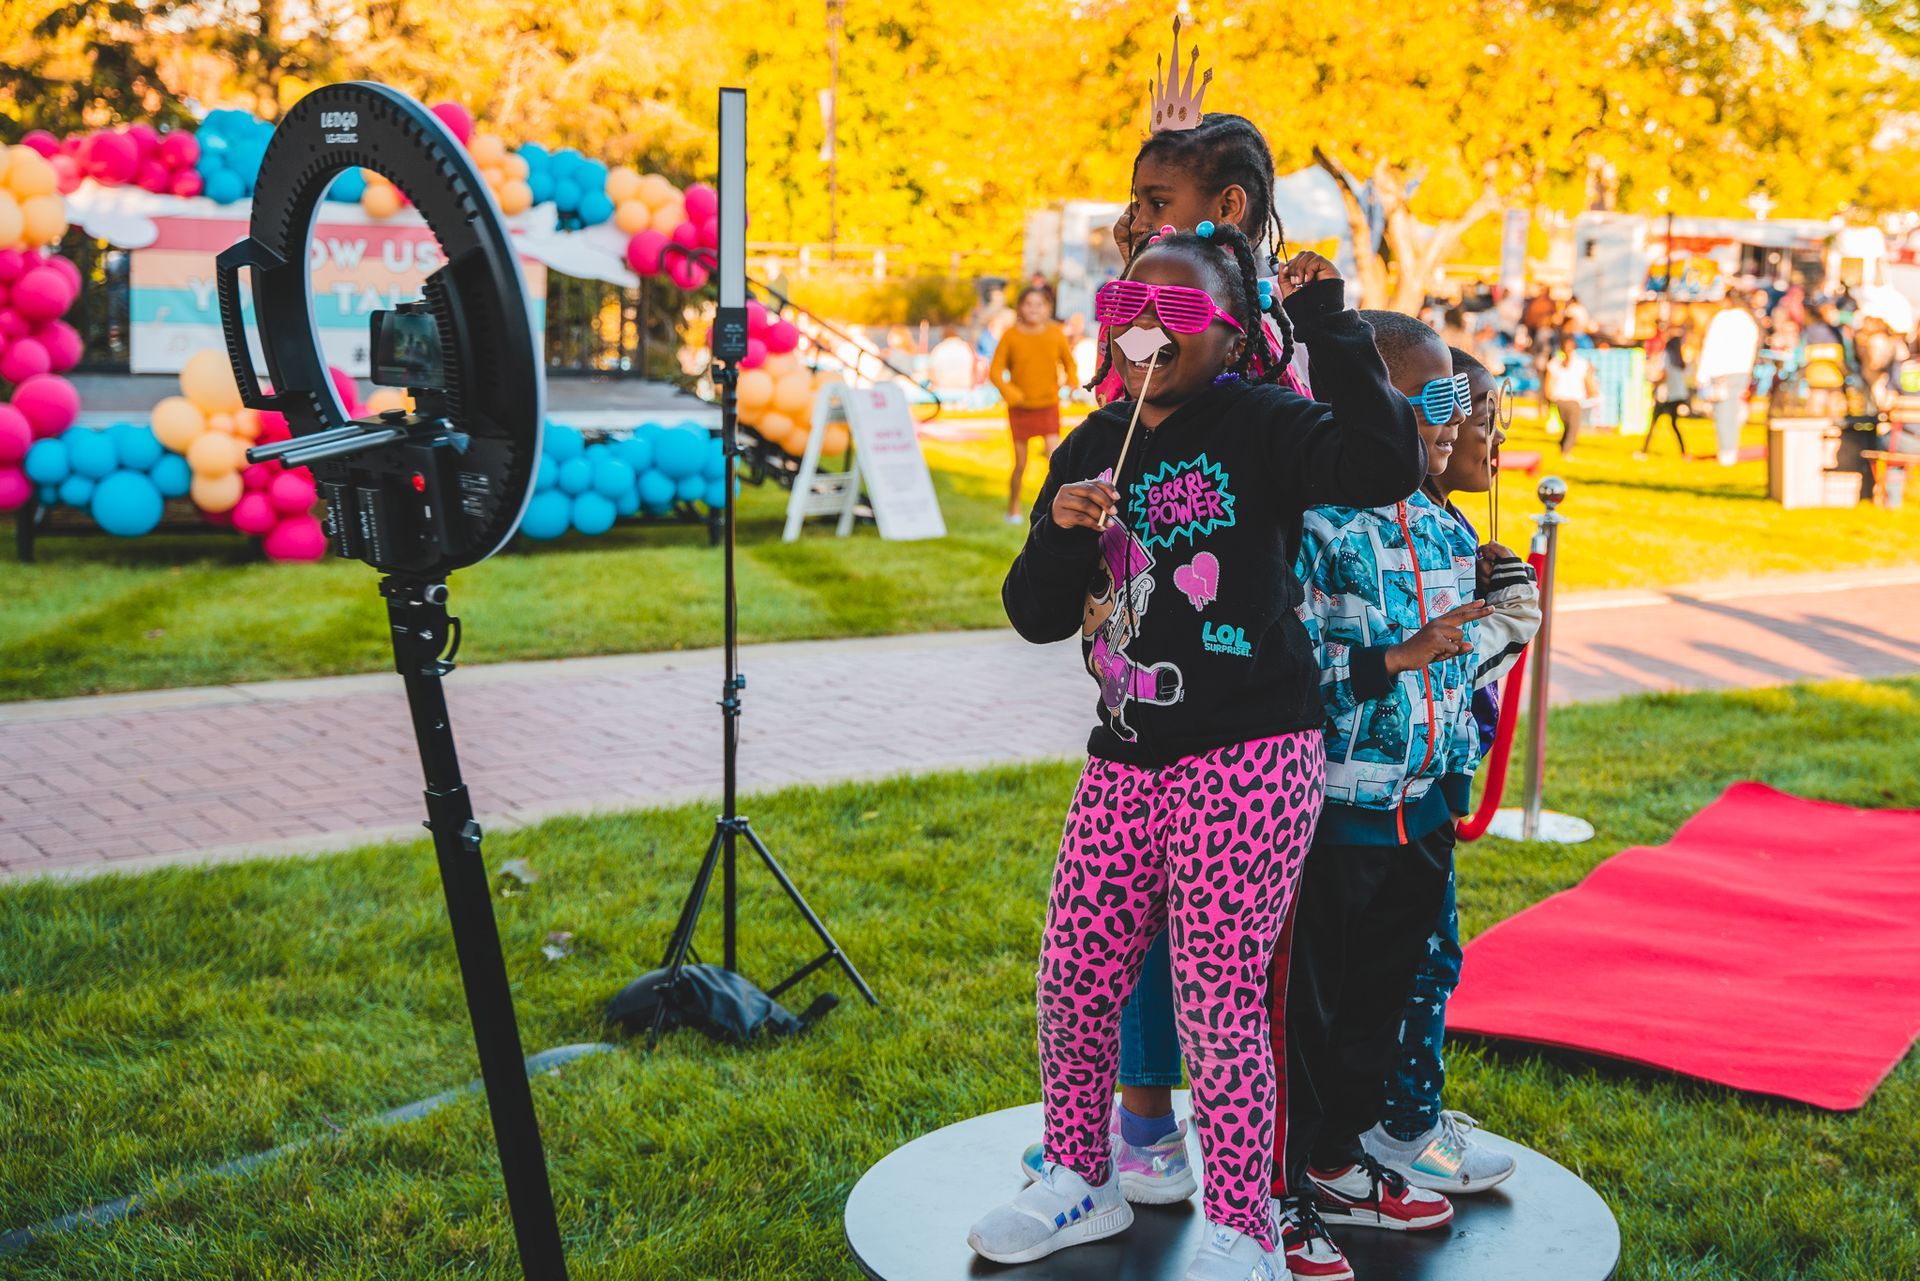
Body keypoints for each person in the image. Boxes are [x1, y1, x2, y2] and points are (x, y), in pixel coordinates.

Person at [973, 226, 1424, 1281]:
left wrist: (1329, 325)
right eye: (1126, 307)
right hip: (1126, 752)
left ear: (1229, 335)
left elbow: (1380, 462)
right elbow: (1037, 616)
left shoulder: (1262, 424)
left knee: (1217, 991)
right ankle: (1084, 1178)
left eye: (1177, 314)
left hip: (1251, 753)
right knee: (1074, 972)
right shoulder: (1090, 445)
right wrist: (1061, 534)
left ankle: (1241, 1225)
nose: (1145, 328)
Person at [1282, 313, 1527, 1273]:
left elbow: (1468, 667)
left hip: (1419, 813)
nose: (1447, 422)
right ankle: (1289, 1178)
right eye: (1427, 401)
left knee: (1380, 1003)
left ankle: (1344, 1161)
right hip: (1337, 818)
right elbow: (1293, 665)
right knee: (1317, 1009)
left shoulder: (1439, 524)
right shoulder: (1315, 524)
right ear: (1363, 406)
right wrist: (1393, 657)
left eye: (1454, 403)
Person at [1358, 348, 1539, 1198]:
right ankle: (1397, 1125)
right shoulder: (1379, 524)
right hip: (1378, 796)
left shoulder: (1450, 529)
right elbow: (1421, 668)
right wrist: (1498, 634)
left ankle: (1399, 1116)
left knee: (1429, 956)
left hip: (1428, 786)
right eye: (1475, 415)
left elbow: (1465, 699)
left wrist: (1505, 627)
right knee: (1411, 959)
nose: (1487, 438)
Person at [989, 286, 1078, 522]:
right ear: (1020, 307)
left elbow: (1069, 362)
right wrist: (1009, 391)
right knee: (1020, 462)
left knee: (1054, 457)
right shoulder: (1011, 335)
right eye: (1029, 304)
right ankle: (1013, 506)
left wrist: (1072, 380)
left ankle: (1054, 507)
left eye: (1040, 305)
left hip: (1048, 404)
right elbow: (995, 370)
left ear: (1048, 308)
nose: (1034, 309)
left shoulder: (1055, 334)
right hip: (1020, 407)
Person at [1697, 298, 1761, 465]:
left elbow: (1710, 346)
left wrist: (1702, 374)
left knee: (1724, 411)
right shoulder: (1747, 320)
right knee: (1732, 408)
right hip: (1741, 370)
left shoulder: (1722, 319)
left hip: (1722, 371)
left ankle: (1726, 451)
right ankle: (1730, 449)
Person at [1639, 332, 1693, 459]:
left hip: (1666, 395)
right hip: (1678, 394)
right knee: (1674, 424)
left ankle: (1644, 451)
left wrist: (1654, 383)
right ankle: (1683, 452)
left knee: (1653, 423)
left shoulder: (1666, 356)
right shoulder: (1679, 359)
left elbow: (1664, 374)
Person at [1543, 335, 1597, 459]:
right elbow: (1588, 380)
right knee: (1573, 427)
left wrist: (1548, 397)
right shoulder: (1580, 363)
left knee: (1568, 425)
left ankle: (1563, 446)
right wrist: (1593, 392)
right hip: (1573, 398)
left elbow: (1548, 382)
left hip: (1560, 398)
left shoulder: (1555, 362)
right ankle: (1566, 451)